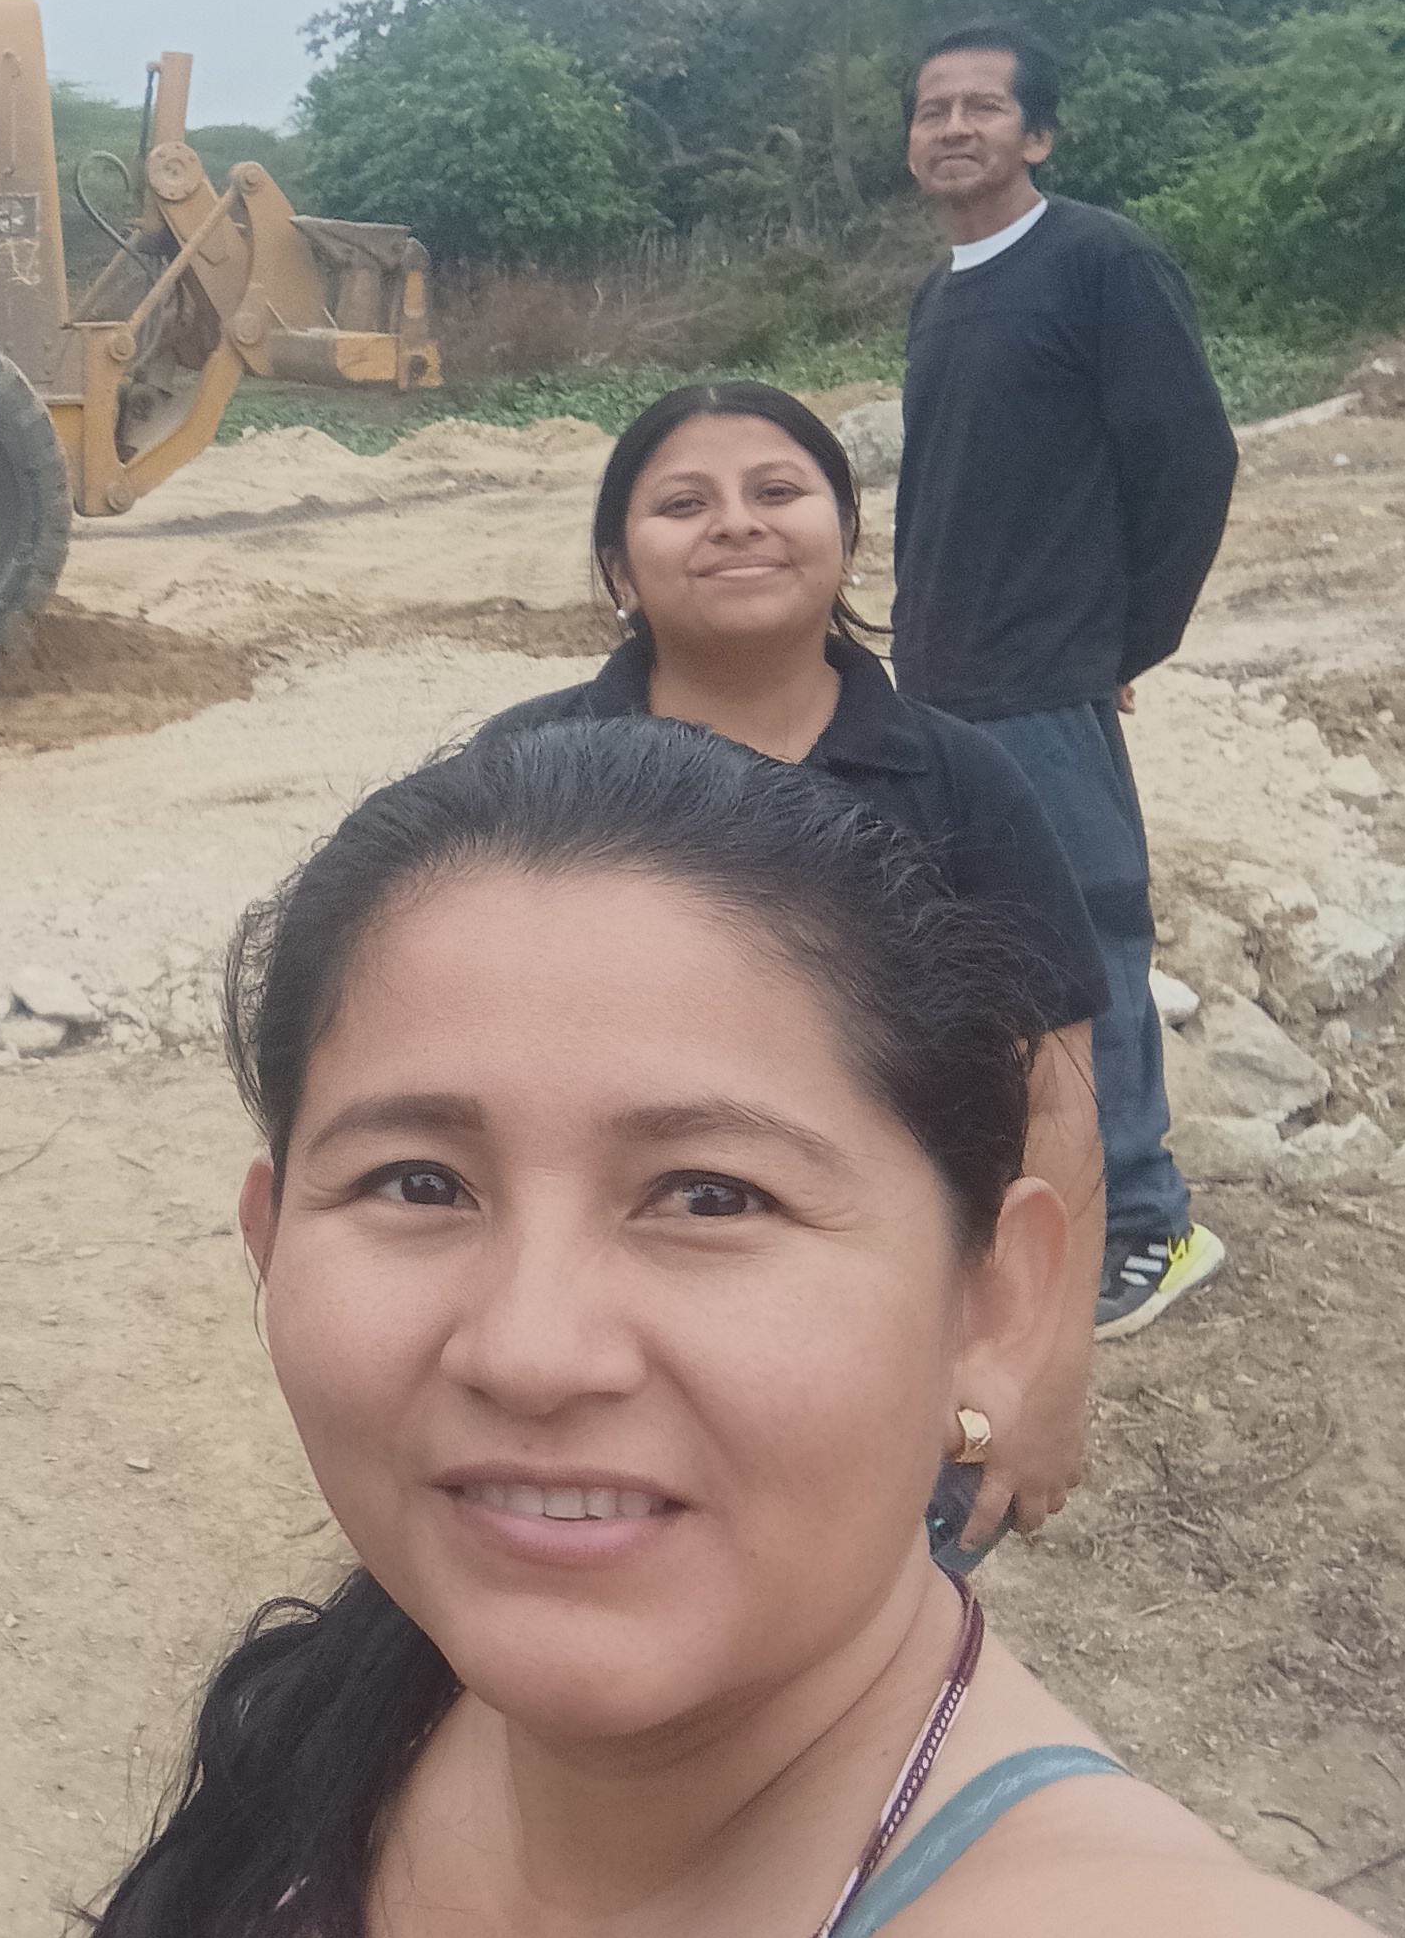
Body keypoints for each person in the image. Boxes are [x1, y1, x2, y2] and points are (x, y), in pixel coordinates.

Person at [62, 723, 1405, 1938]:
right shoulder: (340, 1724)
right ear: (271, 1246)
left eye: (711, 1196)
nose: (532, 1351)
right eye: (419, 1182)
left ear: (994, 1301)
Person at [472, 381, 1106, 1563]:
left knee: (843, 1636)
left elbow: (1057, 1090)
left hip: (874, 1336)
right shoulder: (525, 769)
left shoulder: (961, 784)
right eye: (683, 503)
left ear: (847, 535)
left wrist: (1043, 1366)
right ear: (618, 567)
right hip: (588, 1312)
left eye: (777, 490)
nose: (736, 522)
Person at [899, 21, 1238, 1339]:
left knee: (1085, 947)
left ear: (1036, 133)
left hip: (1043, 683)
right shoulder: (942, 295)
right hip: (938, 678)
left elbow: (1189, 464)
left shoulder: (1100, 262)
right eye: (932, 109)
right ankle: (1019, 1187)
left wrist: (1120, 646)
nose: (953, 127)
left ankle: (1150, 1222)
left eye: (983, 106)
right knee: (972, 951)